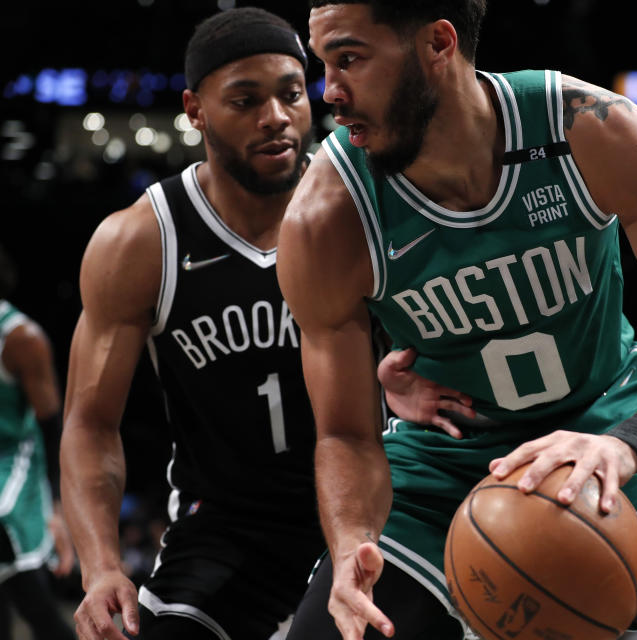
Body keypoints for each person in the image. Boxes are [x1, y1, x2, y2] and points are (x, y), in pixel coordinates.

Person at [277, 2, 637, 639]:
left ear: (438, 42)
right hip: (440, 471)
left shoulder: (586, 129)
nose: (331, 93)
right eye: (323, 63)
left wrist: (627, 444)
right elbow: (345, 435)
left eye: (349, 59)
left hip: (603, 435)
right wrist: (351, 542)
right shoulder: (326, 215)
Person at [59, 8, 463, 640]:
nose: (275, 117)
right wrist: (101, 567)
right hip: (227, 524)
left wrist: (409, 372)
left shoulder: (360, 208)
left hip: (369, 506)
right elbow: (89, 422)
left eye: (290, 94)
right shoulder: (142, 240)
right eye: (244, 101)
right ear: (195, 110)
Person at [0, 246, 75, 639]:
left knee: (34, 605)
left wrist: (58, 509)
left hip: (16, 460)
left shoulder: (21, 337)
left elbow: (51, 426)